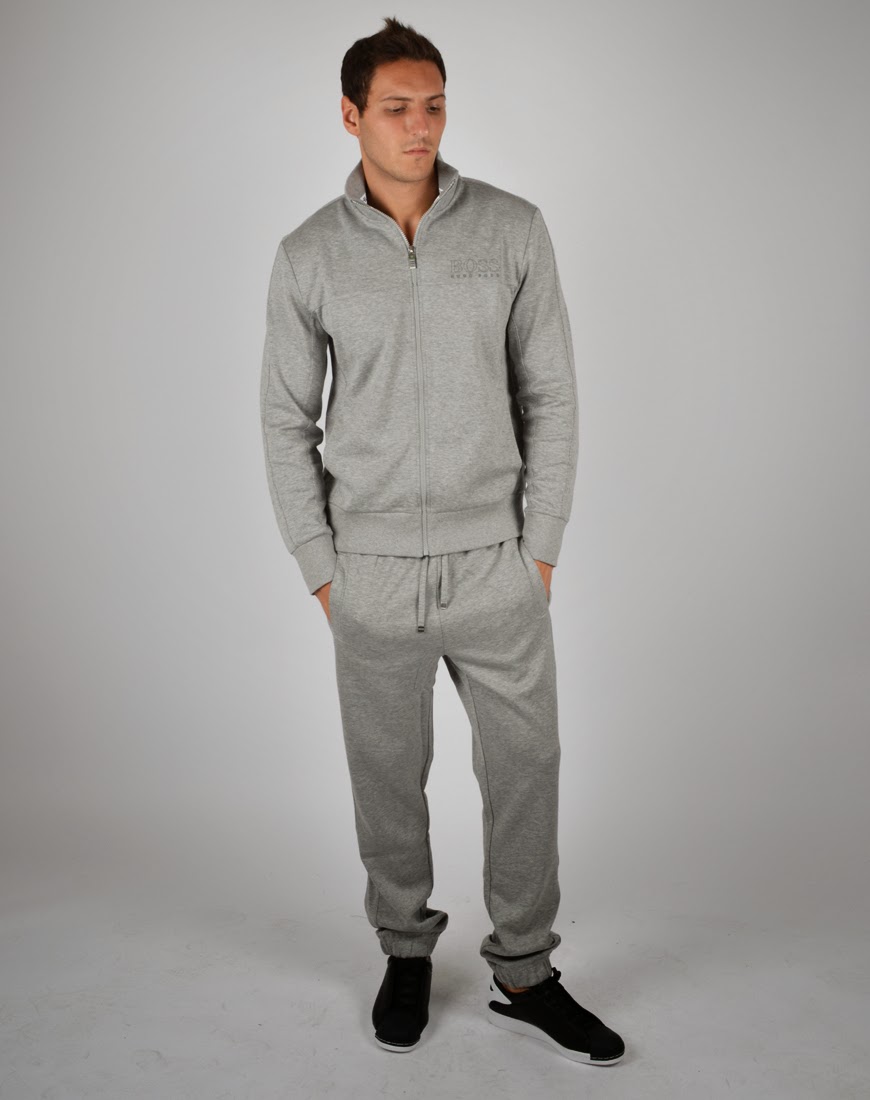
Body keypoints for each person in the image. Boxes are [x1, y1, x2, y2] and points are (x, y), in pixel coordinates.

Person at [259, 16, 625, 1066]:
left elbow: (552, 394)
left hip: (495, 562)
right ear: (350, 116)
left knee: (527, 767)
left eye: (433, 105)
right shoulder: (309, 255)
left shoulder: (512, 230)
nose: (419, 127)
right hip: (369, 570)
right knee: (386, 775)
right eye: (396, 109)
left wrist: (539, 548)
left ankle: (526, 968)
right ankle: (406, 949)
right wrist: (323, 570)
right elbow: (285, 420)